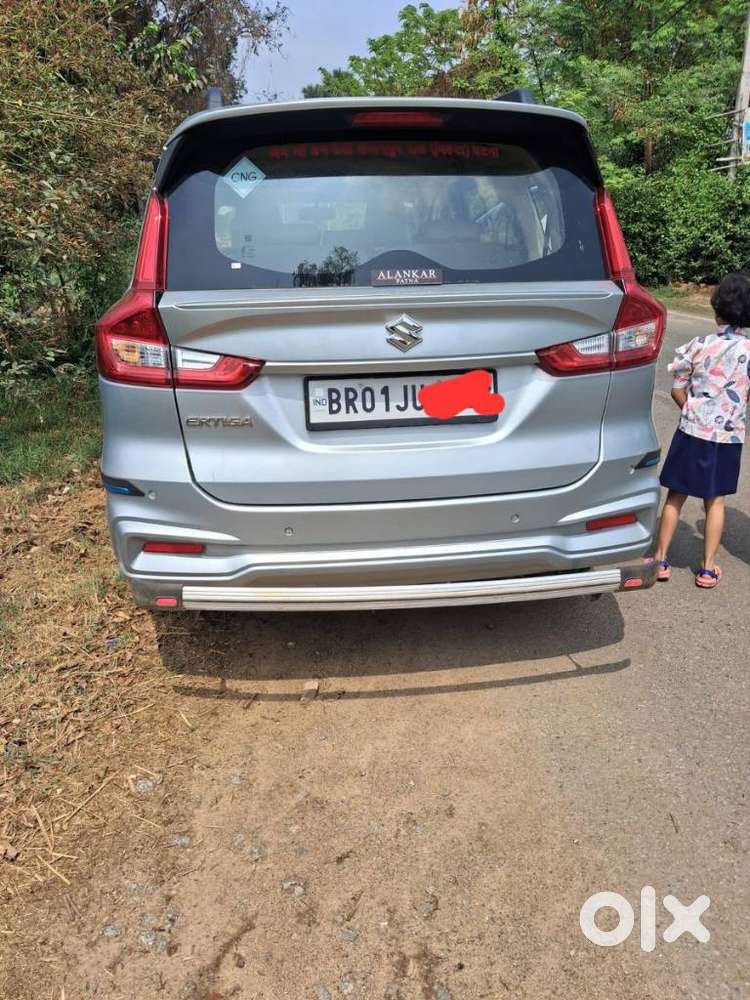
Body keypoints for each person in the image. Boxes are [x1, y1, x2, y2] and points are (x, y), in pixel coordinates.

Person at [654, 272, 750, 588]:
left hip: (692, 431)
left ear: (715, 308)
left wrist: (693, 410)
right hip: (727, 436)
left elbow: (677, 389)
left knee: (675, 496)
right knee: (715, 500)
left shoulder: (698, 345)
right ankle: (708, 568)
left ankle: (660, 560)